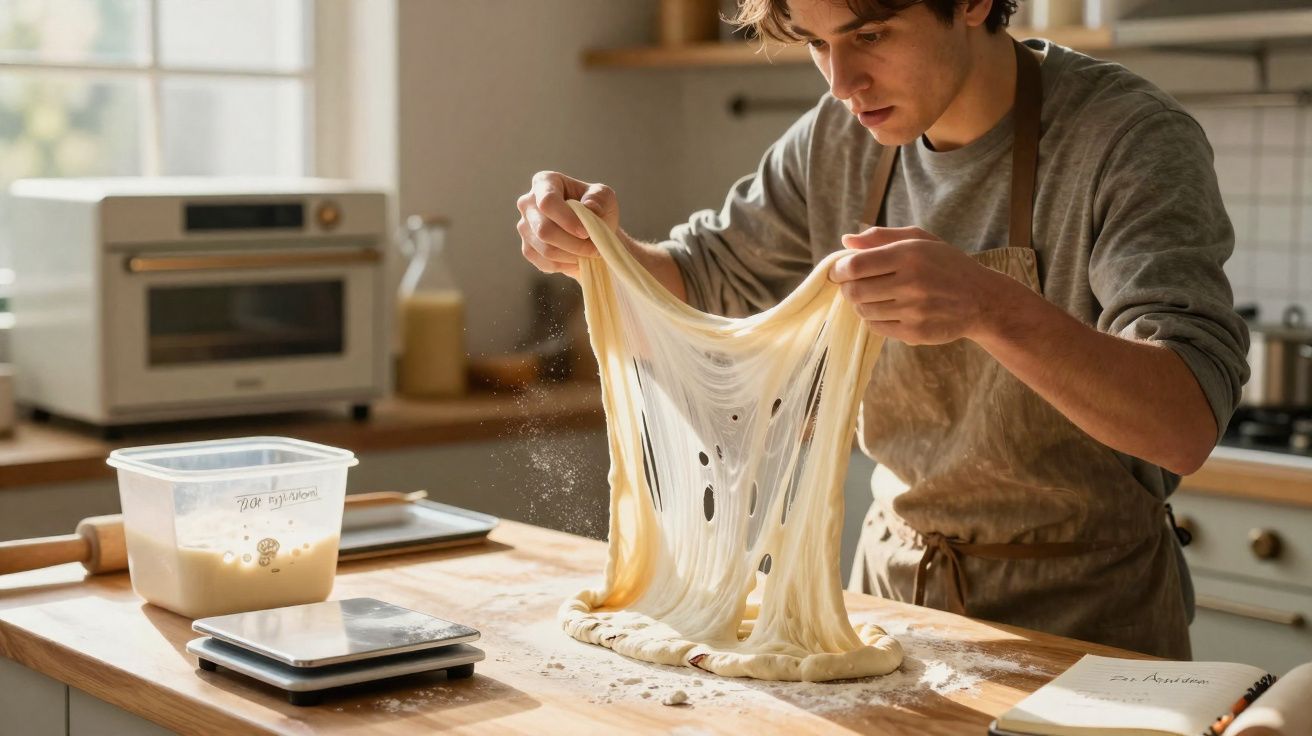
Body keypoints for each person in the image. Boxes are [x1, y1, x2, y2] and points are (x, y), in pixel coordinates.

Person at [515, 0, 1248, 660]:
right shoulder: (837, 143)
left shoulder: (1127, 140)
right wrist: (599, 249)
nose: (842, 81)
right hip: (890, 614)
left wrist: (993, 308)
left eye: (869, 35)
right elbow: (701, 282)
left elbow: (1182, 422)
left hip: (1088, 630)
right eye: (815, 43)